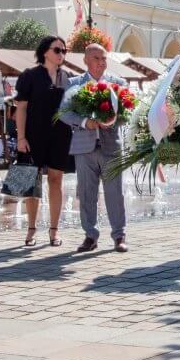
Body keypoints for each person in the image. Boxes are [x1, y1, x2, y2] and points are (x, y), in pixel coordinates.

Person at [59, 42, 128, 253]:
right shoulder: (74, 84)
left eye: (104, 58)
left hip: (110, 146)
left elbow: (127, 112)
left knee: (114, 193)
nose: (101, 62)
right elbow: (64, 113)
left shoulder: (117, 83)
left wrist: (111, 119)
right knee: (87, 193)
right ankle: (90, 235)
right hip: (84, 146)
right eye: (97, 58)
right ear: (86, 60)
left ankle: (119, 236)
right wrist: (84, 122)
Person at [15, 36, 75, 247]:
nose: (62, 54)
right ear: (45, 52)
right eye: (57, 50)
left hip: (60, 136)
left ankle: (54, 230)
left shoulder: (68, 77)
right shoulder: (29, 76)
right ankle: (31, 228)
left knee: (56, 180)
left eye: (64, 50)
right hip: (32, 136)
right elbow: (20, 108)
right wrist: (20, 137)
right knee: (31, 183)